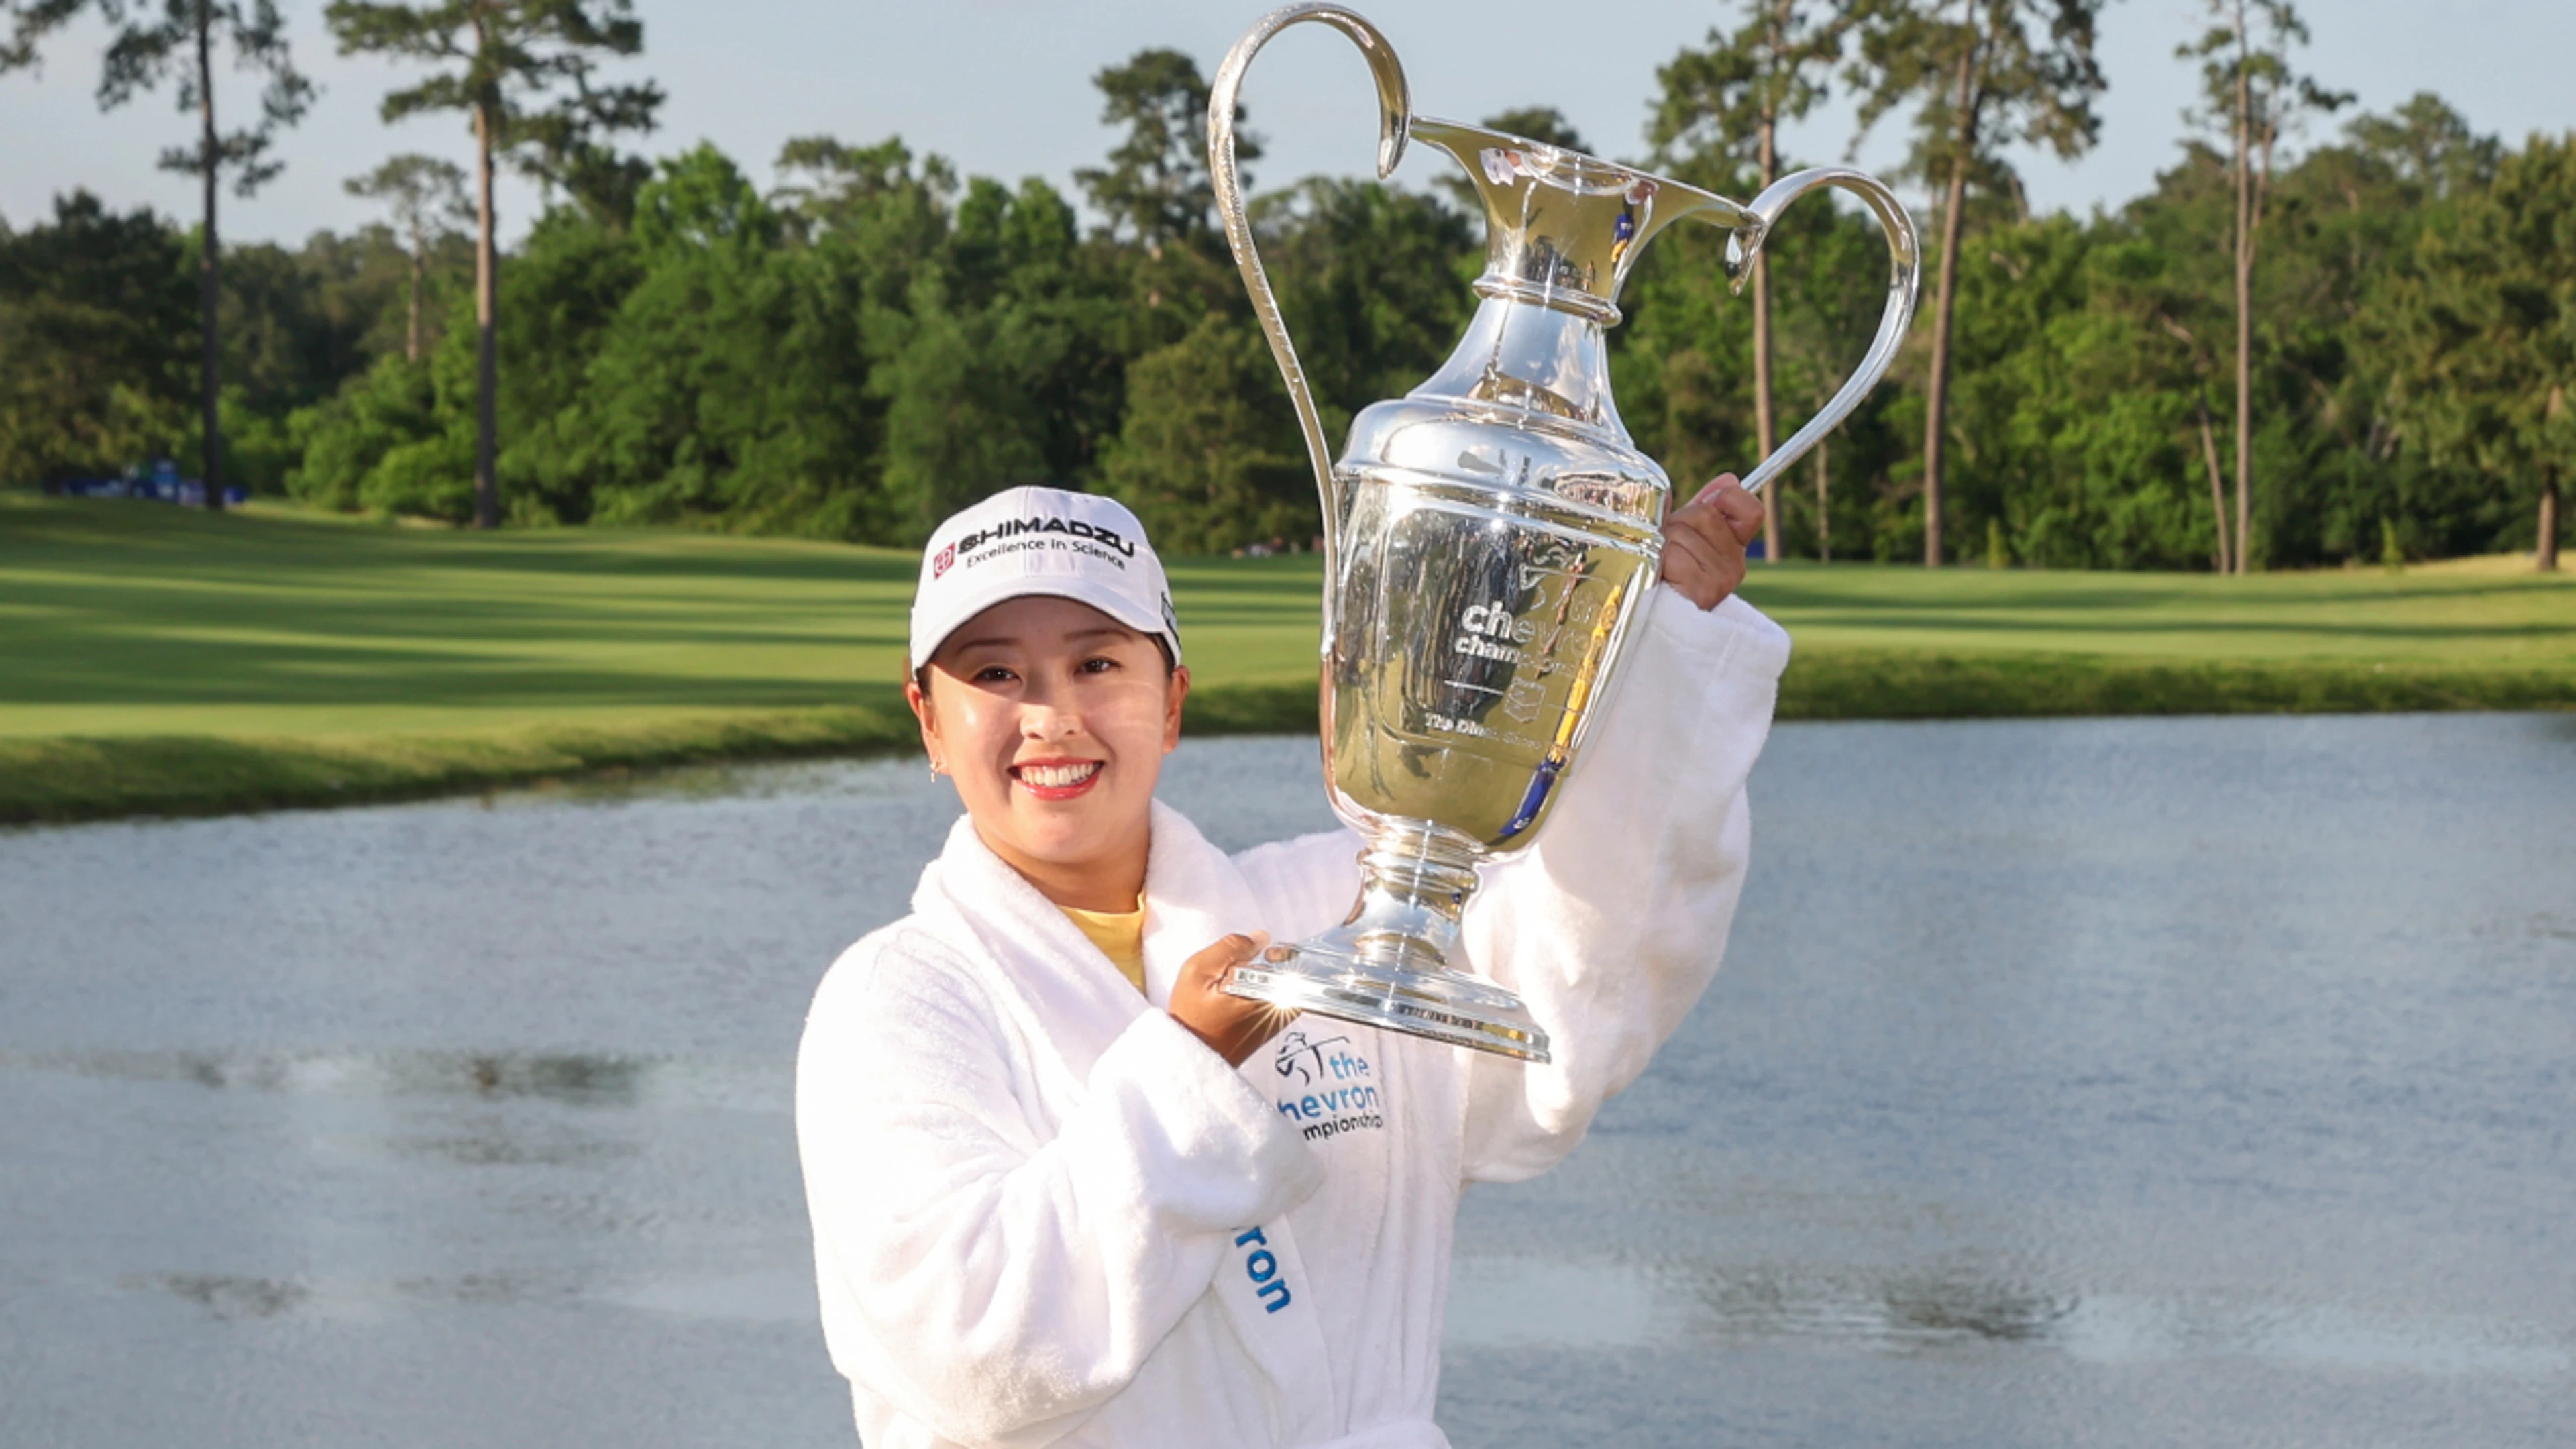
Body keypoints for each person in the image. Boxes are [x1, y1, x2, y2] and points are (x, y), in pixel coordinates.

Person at [796, 479, 1778, 1449]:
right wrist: (1190, 1065)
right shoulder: (895, 1004)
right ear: (928, 718)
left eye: (1098, 664)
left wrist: (1663, 659)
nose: (1052, 717)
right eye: (997, 675)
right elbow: (973, 1355)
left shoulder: (1337, 914)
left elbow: (1577, 993)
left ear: (1172, 702)